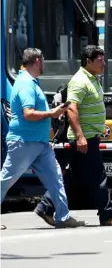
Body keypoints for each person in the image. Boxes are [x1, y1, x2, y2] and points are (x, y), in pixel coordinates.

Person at [35, 46, 112, 227]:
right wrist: (80, 136)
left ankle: (46, 206)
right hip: (85, 137)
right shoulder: (79, 81)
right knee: (98, 176)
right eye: (100, 60)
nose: (104, 63)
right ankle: (107, 215)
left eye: (104, 59)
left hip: (89, 136)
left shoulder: (93, 79)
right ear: (88, 61)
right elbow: (72, 108)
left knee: (73, 177)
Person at [0, 48, 85, 228]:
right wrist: (52, 113)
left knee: (55, 178)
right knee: (6, 180)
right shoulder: (26, 84)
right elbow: (28, 114)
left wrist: (53, 114)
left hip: (39, 143)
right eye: (43, 60)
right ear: (38, 61)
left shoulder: (31, 82)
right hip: (24, 142)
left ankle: (63, 216)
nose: (44, 63)